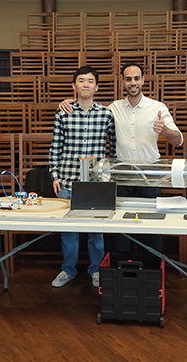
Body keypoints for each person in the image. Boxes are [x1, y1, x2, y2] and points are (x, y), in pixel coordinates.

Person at [59, 63, 183, 256]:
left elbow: (178, 140)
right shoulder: (113, 109)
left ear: (143, 80)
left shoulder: (157, 108)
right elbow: (88, 107)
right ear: (122, 82)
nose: (132, 83)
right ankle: (120, 273)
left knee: (152, 227)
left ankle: (152, 271)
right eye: (128, 79)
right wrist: (69, 101)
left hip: (150, 176)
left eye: (136, 78)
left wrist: (165, 131)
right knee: (120, 229)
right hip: (122, 174)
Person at [49, 66, 116, 288]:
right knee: (69, 231)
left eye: (90, 81)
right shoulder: (63, 112)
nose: (85, 84)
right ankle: (68, 270)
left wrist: (110, 176)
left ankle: (96, 270)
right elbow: (55, 146)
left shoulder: (106, 114)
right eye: (81, 80)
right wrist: (54, 174)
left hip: (96, 183)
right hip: (68, 179)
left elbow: (113, 149)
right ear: (74, 86)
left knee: (96, 232)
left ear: (97, 87)